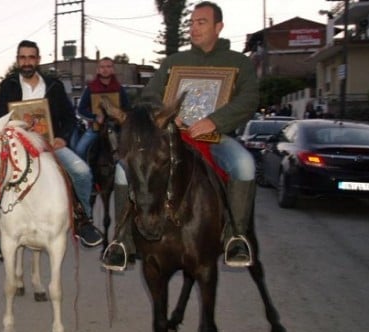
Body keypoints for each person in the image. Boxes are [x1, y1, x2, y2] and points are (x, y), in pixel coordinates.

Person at [102, 1, 259, 270]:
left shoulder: (238, 63)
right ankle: (122, 240)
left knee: (245, 165)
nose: (194, 28)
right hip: (173, 138)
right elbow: (150, 94)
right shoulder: (174, 62)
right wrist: (167, 113)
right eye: (192, 22)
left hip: (217, 138)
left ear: (218, 27)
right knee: (121, 171)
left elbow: (249, 98)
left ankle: (235, 235)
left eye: (202, 22)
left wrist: (214, 121)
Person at [0, 39, 103, 261]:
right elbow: (0, 118)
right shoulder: (8, 86)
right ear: (18, 60)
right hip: (17, 147)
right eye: (22, 57)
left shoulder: (54, 85)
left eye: (31, 57)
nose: (26, 62)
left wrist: (61, 137)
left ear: (38, 60)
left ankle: (82, 220)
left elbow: (68, 118)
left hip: (50, 147)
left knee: (82, 172)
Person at [74, 57, 130, 160]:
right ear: (98, 70)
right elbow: (80, 109)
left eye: (108, 67)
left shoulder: (119, 89)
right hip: (96, 128)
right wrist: (95, 117)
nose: (105, 69)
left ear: (113, 69)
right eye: (102, 67)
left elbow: (128, 108)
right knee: (79, 150)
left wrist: (121, 116)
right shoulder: (90, 88)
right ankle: (84, 174)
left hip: (117, 128)